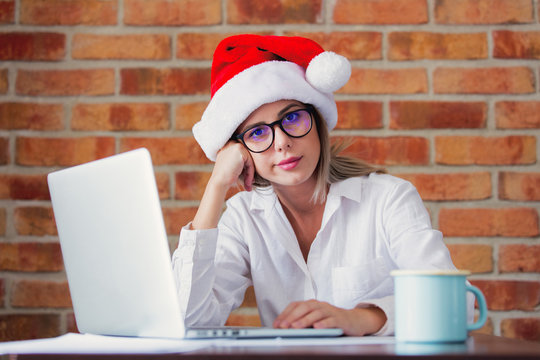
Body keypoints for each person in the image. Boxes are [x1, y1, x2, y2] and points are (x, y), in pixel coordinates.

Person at [172, 34, 468, 336]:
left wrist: (362, 319)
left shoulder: (389, 198)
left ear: (317, 122)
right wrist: (217, 184)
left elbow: (460, 304)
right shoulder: (243, 217)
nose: (283, 142)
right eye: (258, 133)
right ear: (240, 151)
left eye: (293, 118)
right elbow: (188, 319)